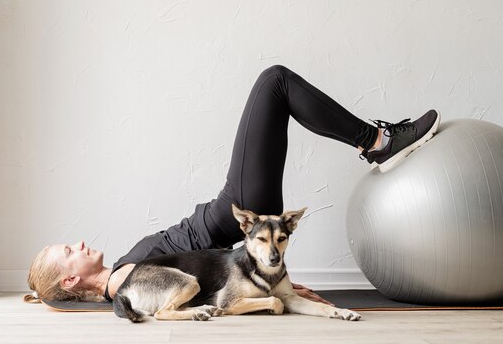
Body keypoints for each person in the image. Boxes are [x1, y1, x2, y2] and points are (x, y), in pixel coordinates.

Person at [24, 65, 440, 306]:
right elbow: (203, 278)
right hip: (238, 210)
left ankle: (376, 142)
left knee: (276, 89)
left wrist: (272, 278)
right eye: (68, 253)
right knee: (274, 82)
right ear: (70, 282)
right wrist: (273, 280)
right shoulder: (123, 280)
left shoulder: (123, 274)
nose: (77, 244)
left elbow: (200, 270)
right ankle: (379, 141)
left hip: (241, 215)